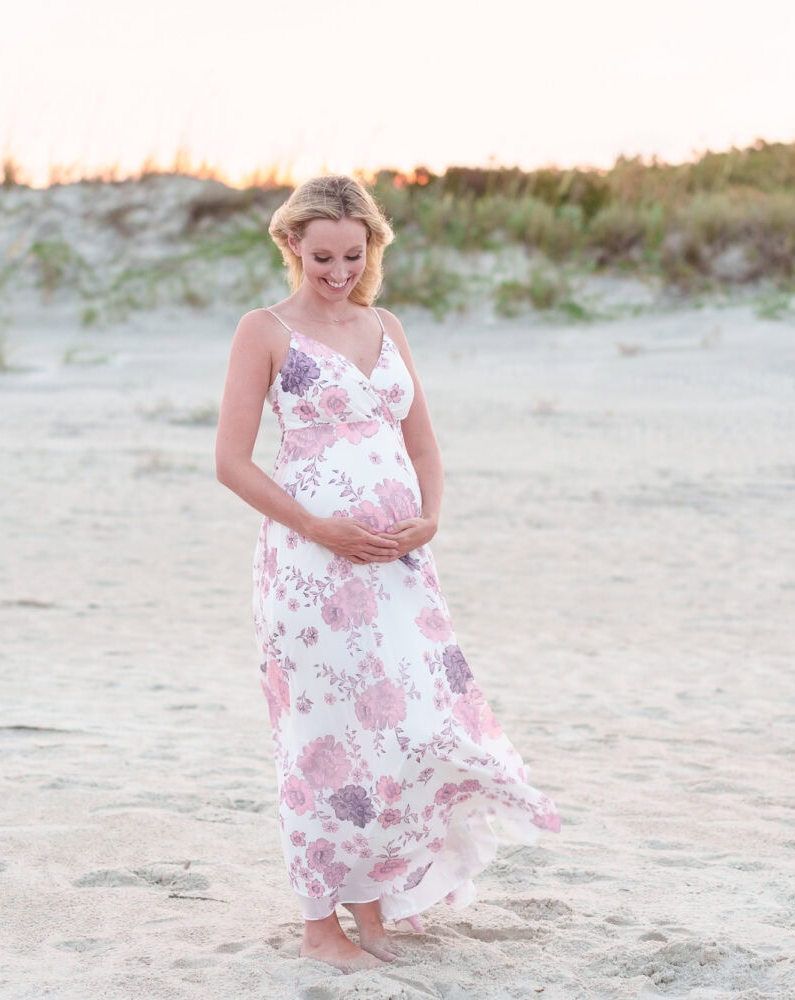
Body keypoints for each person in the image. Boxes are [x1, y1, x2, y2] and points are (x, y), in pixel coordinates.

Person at [214, 175, 560, 973]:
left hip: (401, 571)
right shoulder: (264, 331)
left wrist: (430, 516)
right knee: (321, 741)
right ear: (292, 244)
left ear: (372, 246)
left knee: (395, 733)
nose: (337, 271)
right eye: (322, 254)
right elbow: (231, 463)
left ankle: (370, 911)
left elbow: (425, 447)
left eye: (352, 253)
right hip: (310, 572)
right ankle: (317, 926)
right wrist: (316, 525)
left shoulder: (386, 326)